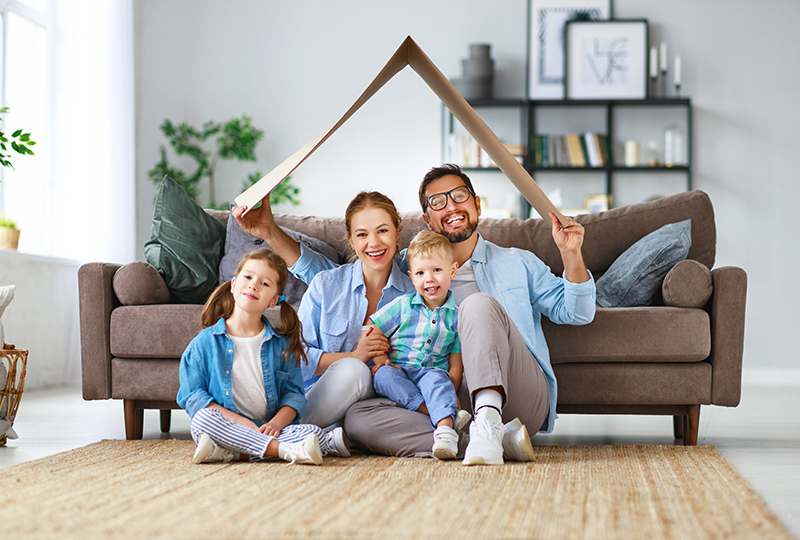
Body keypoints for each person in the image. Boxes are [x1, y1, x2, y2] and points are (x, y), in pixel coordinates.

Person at [344, 164, 597, 465]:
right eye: (438, 202)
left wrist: (571, 253)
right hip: (443, 398)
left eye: (459, 196)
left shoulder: (517, 262)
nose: (451, 206)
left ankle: (490, 421)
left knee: (477, 305)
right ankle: (490, 440)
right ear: (427, 219)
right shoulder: (406, 269)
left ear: (477, 205)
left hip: (516, 392)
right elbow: (344, 275)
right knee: (358, 419)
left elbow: (577, 313)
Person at [232, 192, 416, 439]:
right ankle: (283, 435)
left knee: (361, 382)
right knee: (353, 369)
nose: (373, 243)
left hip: (375, 406)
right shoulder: (326, 285)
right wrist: (354, 356)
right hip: (319, 397)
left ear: (397, 232)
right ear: (351, 240)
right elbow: (298, 358)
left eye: (382, 231)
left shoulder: (414, 295)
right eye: (362, 234)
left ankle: (275, 439)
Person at [177, 250, 348, 465]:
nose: (253, 285)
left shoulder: (282, 345)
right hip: (225, 425)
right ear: (233, 284)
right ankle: (285, 451)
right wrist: (239, 421)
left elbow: (294, 396)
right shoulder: (204, 342)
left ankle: (234, 452)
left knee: (310, 431)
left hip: (267, 427)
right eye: (247, 277)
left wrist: (276, 425)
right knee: (202, 421)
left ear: (274, 300)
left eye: (265, 283)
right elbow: (192, 396)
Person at [369, 230, 471, 460]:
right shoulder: (402, 305)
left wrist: (451, 384)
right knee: (382, 376)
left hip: (432, 372)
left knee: (438, 381)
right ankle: (440, 412)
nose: (429, 278)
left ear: (452, 270)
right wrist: (381, 362)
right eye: (421, 273)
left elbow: (456, 358)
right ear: (412, 277)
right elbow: (375, 332)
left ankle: (445, 432)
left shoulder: (457, 316)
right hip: (399, 370)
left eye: (437, 270)